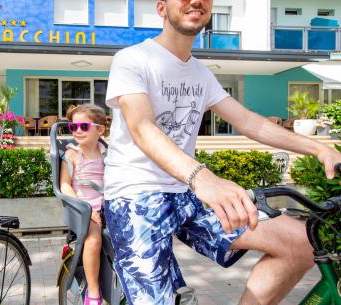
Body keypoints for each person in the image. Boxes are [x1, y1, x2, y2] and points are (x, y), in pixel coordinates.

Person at [102, 1, 341, 305]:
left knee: (301, 244)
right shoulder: (132, 59)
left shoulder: (200, 73)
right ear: (162, 8)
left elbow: (249, 121)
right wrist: (202, 177)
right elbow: (141, 126)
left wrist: (318, 148)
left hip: (185, 193)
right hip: (135, 195)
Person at [59, 104, 107, 305]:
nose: (78, 131)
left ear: (100, 129)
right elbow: (64, 185)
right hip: (83, 208)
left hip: (107, 205)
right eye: (73, 127)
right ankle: (93, 293)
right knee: (94, 240)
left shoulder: (107, 153)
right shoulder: (72, 154)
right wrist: (85, 208)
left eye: (84, 126)